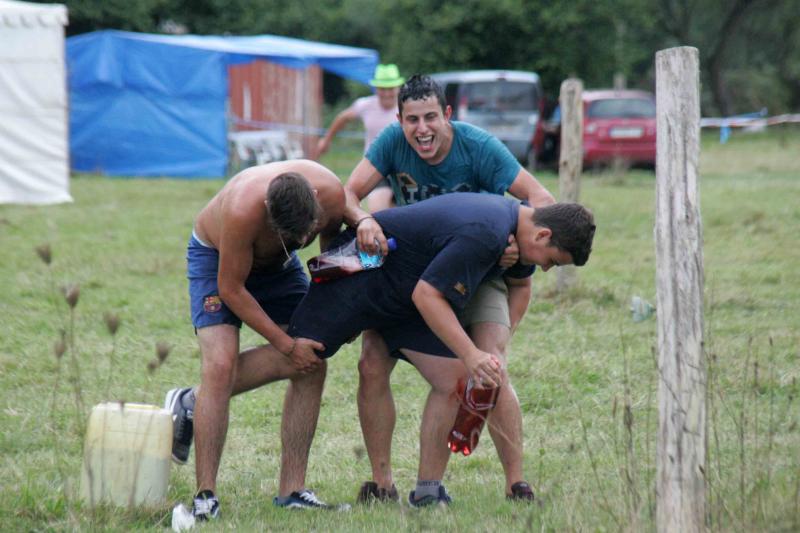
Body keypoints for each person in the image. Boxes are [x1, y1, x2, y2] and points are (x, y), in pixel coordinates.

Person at [286, 193, 595, 506]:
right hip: (357, 279)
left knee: (453, 380)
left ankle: (427, 492)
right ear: (543, 234)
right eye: (552, 261)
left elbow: (430, 295)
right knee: (296, 357)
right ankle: (292, 487)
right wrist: (471, 354)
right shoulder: (486, 231)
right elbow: (428, 296)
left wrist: (477, 356)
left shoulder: (511, 232)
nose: (544, 268)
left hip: (401, 300)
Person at [343, 74, 556, 503]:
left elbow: (542, 198)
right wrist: (363, 219)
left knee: (490, 367)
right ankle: (382, 485)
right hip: (415, 273)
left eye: (430, 118)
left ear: (448, 116)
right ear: (400, 121)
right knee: (371, 362)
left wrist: (514, 239)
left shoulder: (479, 147)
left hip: (481, 272)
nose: (422, 129)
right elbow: (346, 192)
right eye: (412, 120)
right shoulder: (390, 142)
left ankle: (516, 483)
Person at [164, 160, 345, 520]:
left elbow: (333, 261)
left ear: (315, 199)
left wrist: (339, 315)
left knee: (313, 363)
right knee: (219, 366)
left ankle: (292, 491)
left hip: (278, 266)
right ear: (268, 212)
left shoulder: (332, 193)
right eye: (289, 233)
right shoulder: (242, 209)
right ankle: (205, 498)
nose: (299, 241)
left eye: (303, 234)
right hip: (217, 257)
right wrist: (285, 344)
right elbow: (231, 289)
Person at [315, 63, 404, 212]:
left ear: (398, 88)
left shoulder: (406, 106)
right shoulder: (365, 105)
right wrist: (326, 140)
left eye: (390, 89)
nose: (387, 93)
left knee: (401, 213)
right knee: (378, 212)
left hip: (402, 166)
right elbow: (342, 118)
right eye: (383, 89)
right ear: (376, 88)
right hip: (377, 166)